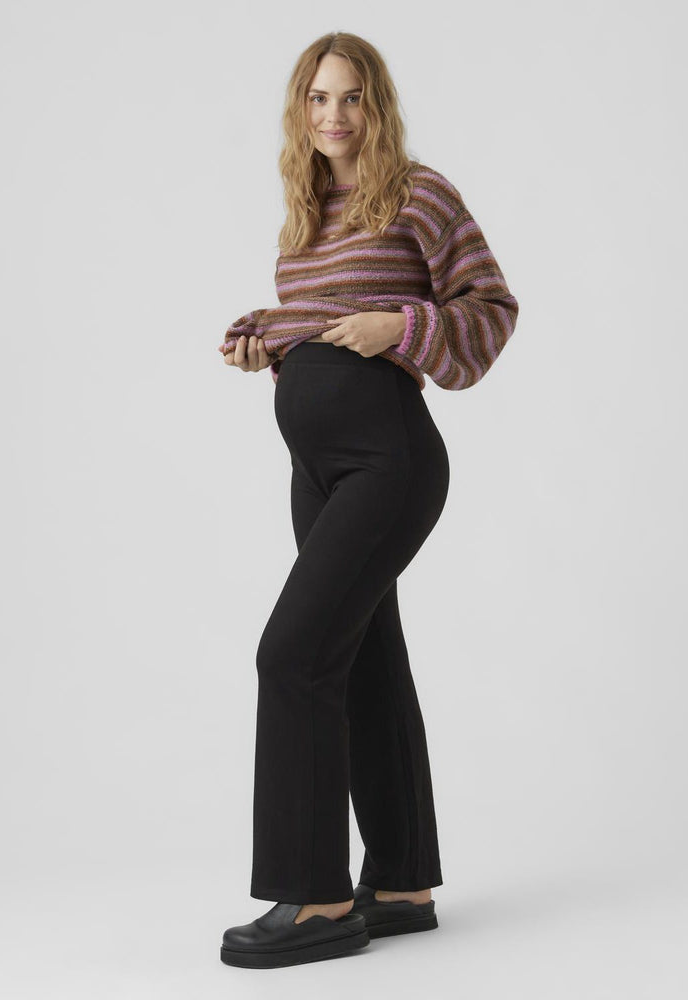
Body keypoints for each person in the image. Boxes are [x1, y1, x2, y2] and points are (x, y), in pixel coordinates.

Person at [217, 31, 519, 969]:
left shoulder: (419, 194)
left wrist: (403, 323)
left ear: (376, 105)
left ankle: (313, 898)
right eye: (318, 99)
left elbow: (490, 308)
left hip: (390, 458)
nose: (334, 115)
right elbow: (321, 324)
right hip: (317, 469)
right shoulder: (305, 214)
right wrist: (269, 340)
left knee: (293, 654)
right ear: (299, 111)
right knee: (360, 659)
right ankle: (400, 881)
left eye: (351, 97)